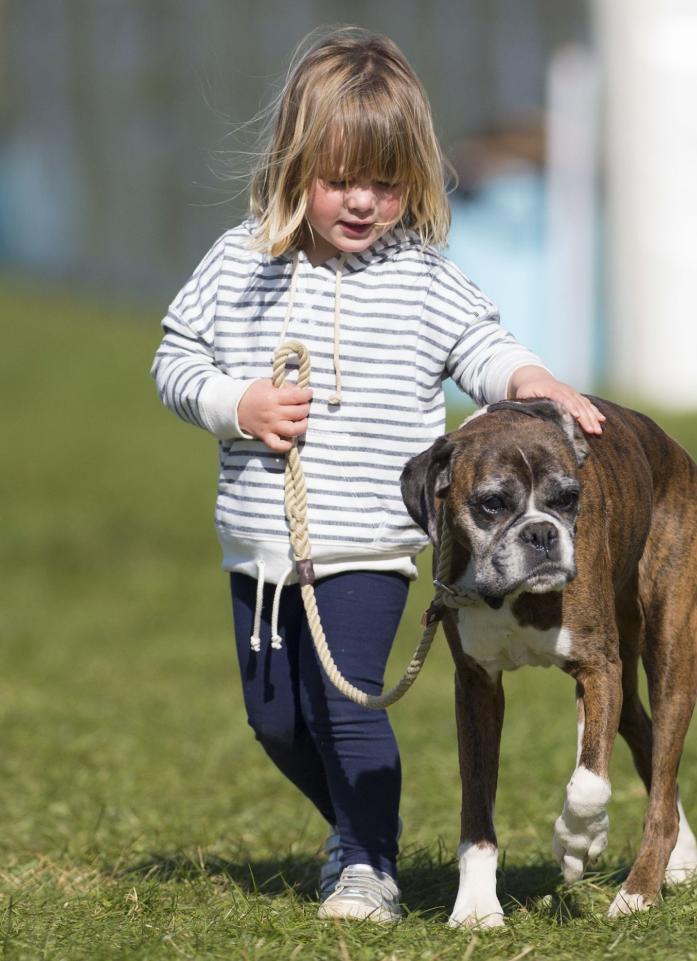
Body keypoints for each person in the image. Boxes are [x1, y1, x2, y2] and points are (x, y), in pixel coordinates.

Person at [150, 26, 605, 923]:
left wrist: (531, 378)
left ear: (415, 181)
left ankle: (368, 862)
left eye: (386, 183)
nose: (363, 202)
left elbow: (481, 344)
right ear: (294, 166)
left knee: (346, 700)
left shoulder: (422, 276)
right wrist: (235, 404)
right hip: (257, 542)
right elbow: (175, 357)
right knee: (277, 718)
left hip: (368, 541)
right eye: (340, 180)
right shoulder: (238, 264)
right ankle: (364, 828)